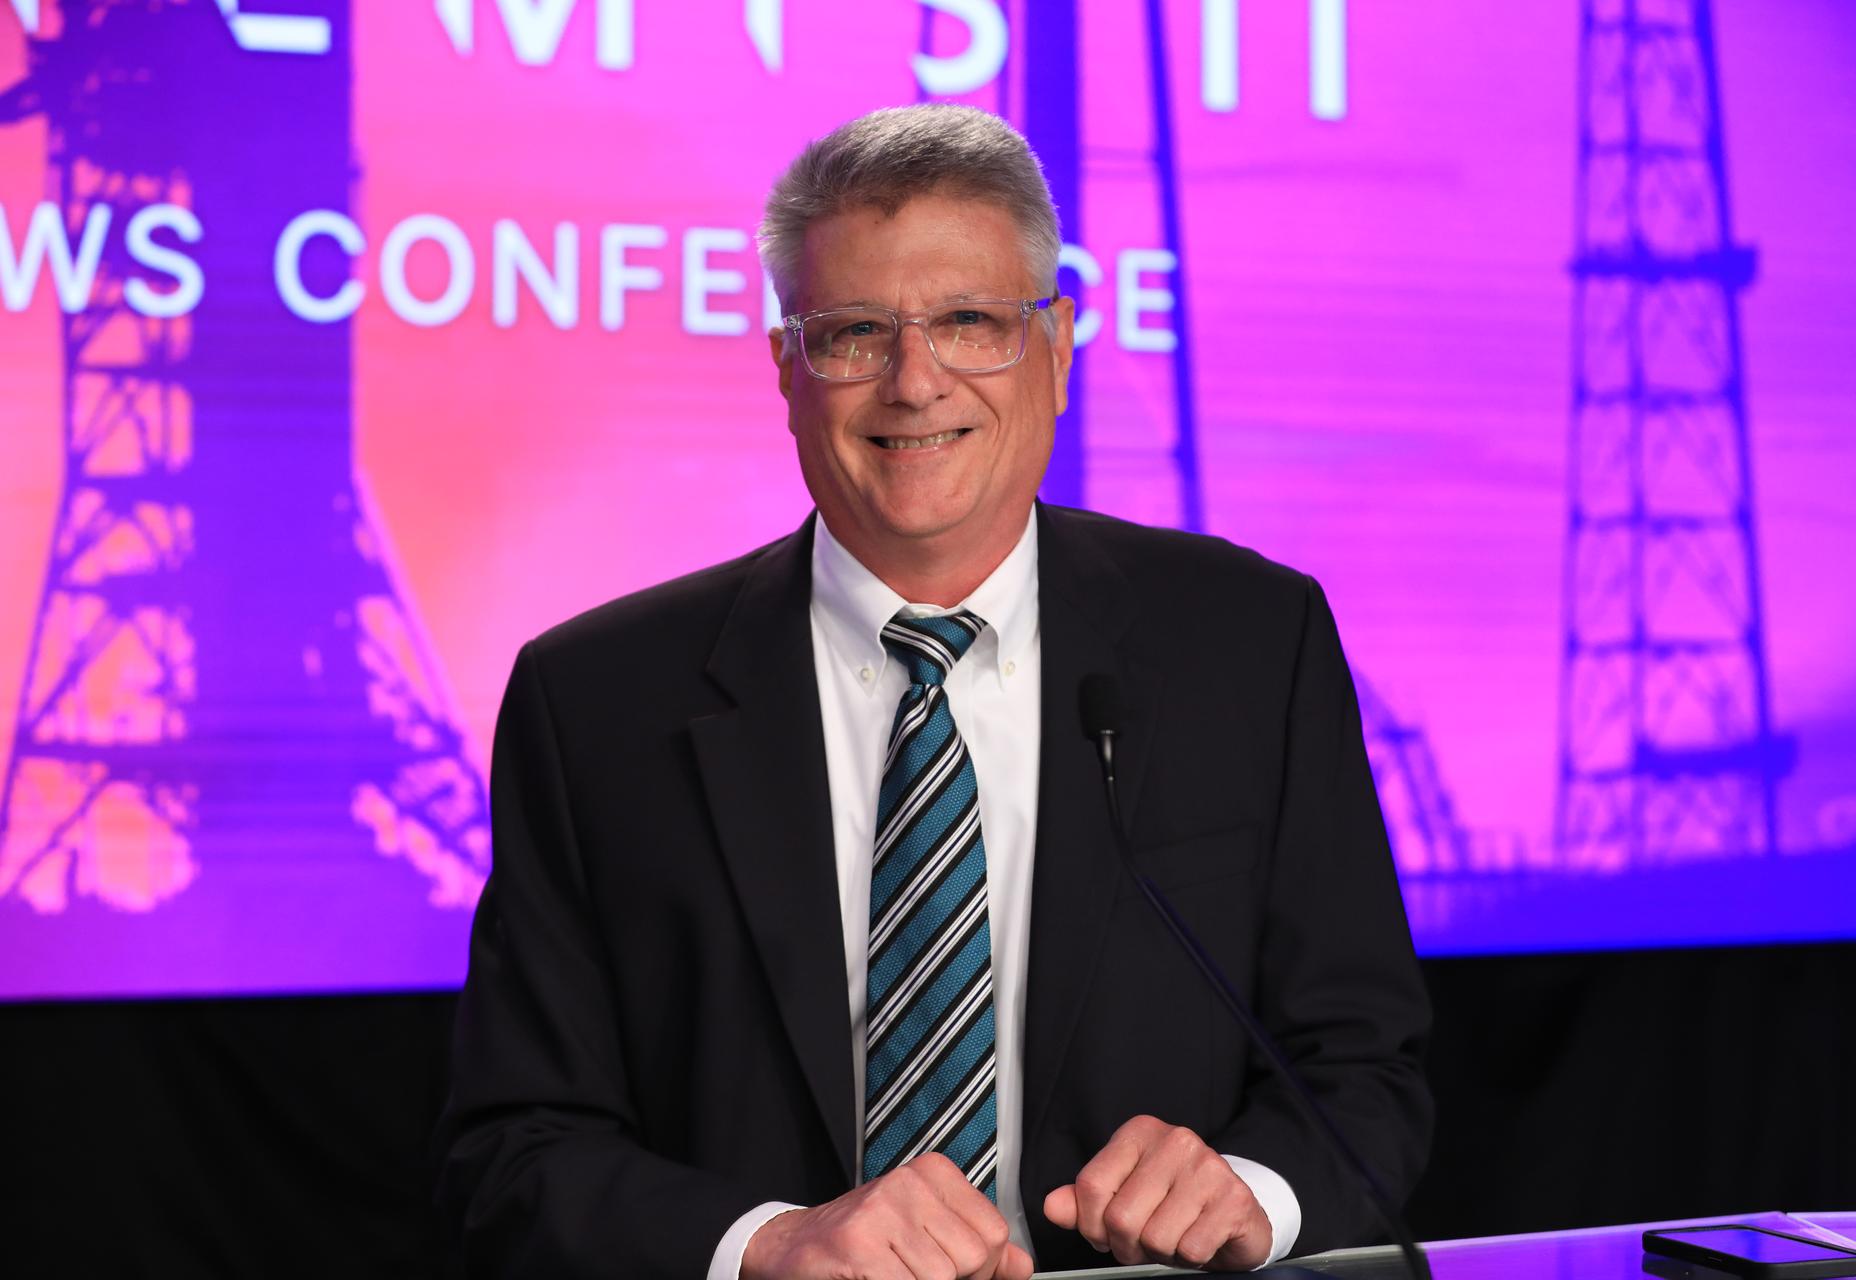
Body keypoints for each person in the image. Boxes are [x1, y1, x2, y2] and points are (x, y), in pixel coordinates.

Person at [435, 104, 1432, 1280]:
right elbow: (515, 1151)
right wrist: (766, 1242)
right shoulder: (595, 700)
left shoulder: (1251, 644)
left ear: (1057, 346)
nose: (915, 382)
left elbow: (1365, 1072)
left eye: (970, 321)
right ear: (787, 369)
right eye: (856, 330)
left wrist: (1253, 1189)